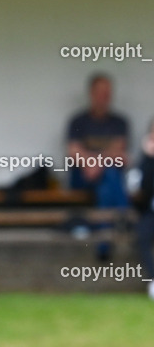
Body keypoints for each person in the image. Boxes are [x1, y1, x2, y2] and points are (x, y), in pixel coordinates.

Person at [66, 74, 130, 259]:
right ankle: (124, 216)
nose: (105, 97)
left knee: (107, 183)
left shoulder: (119, 122)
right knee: (110, 175)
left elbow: (120, 153)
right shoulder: (78, 121)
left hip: (105, 177)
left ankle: (103, 245)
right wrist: (95, 162)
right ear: (91, 93)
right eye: (101, 93)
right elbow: (74, 152)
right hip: (82, 177)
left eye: (108, 93)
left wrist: (96, 162)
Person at [131, 121, 154, 299]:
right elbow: (139, 192)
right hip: (150, 213)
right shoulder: (145, 161)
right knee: (143, 237)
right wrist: (149, 158)